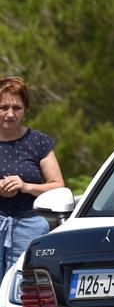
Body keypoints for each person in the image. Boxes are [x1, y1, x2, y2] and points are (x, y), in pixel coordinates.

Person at [0, 77, 65, 272]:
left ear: (25, 110)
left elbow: (57, 186)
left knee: (23, 286)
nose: (10, 114)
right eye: (3, 107)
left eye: (17, 108)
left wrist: (25, 187)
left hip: (29, 224)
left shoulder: (38, 142)